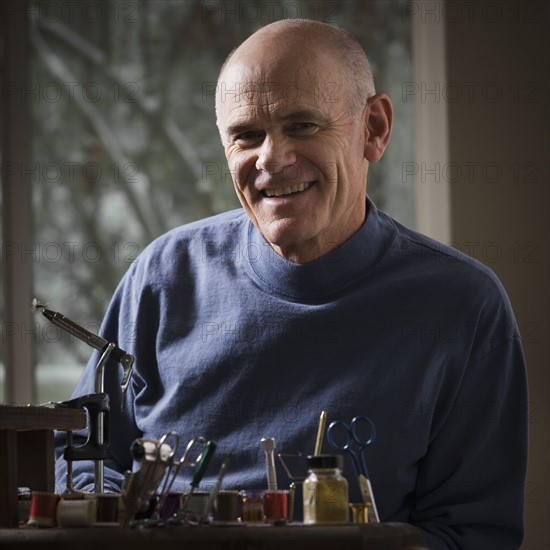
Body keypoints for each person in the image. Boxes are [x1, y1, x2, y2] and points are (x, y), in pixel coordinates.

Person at [55, 19, 527, 549]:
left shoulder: (463, 307)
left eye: (301, 126)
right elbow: (74, 458)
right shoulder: (162, 277)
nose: (271, 159)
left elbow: (473, 535)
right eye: (246, 135)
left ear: (374, 128)